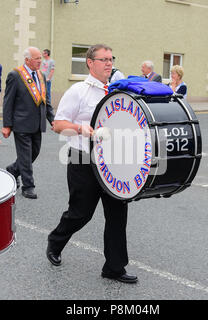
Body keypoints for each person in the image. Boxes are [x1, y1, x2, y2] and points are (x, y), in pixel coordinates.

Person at [47, 44, 137, 284]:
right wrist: (79, 128)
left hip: (113, 162)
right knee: (81, 213)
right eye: (104, 59)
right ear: (90, 62)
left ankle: (114, 267)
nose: (109, 63)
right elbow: (57, 125)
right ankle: (55, 241)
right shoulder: (79, 91)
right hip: (83, 159)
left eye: (111, 59)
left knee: (118, 214)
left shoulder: (116, 91)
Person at [2, 47, 55, 199]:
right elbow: (8, 102)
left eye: (40, 58)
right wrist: (7, 125)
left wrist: (53, 120)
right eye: (37, 58)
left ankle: (13, 169)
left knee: (34, 152)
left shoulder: (41, 75)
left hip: (37, 123)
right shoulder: (15, 75)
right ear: (27, 60)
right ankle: (28, 186)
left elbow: (46, 100)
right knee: (25, 156)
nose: (40, 61)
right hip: (21, 123)